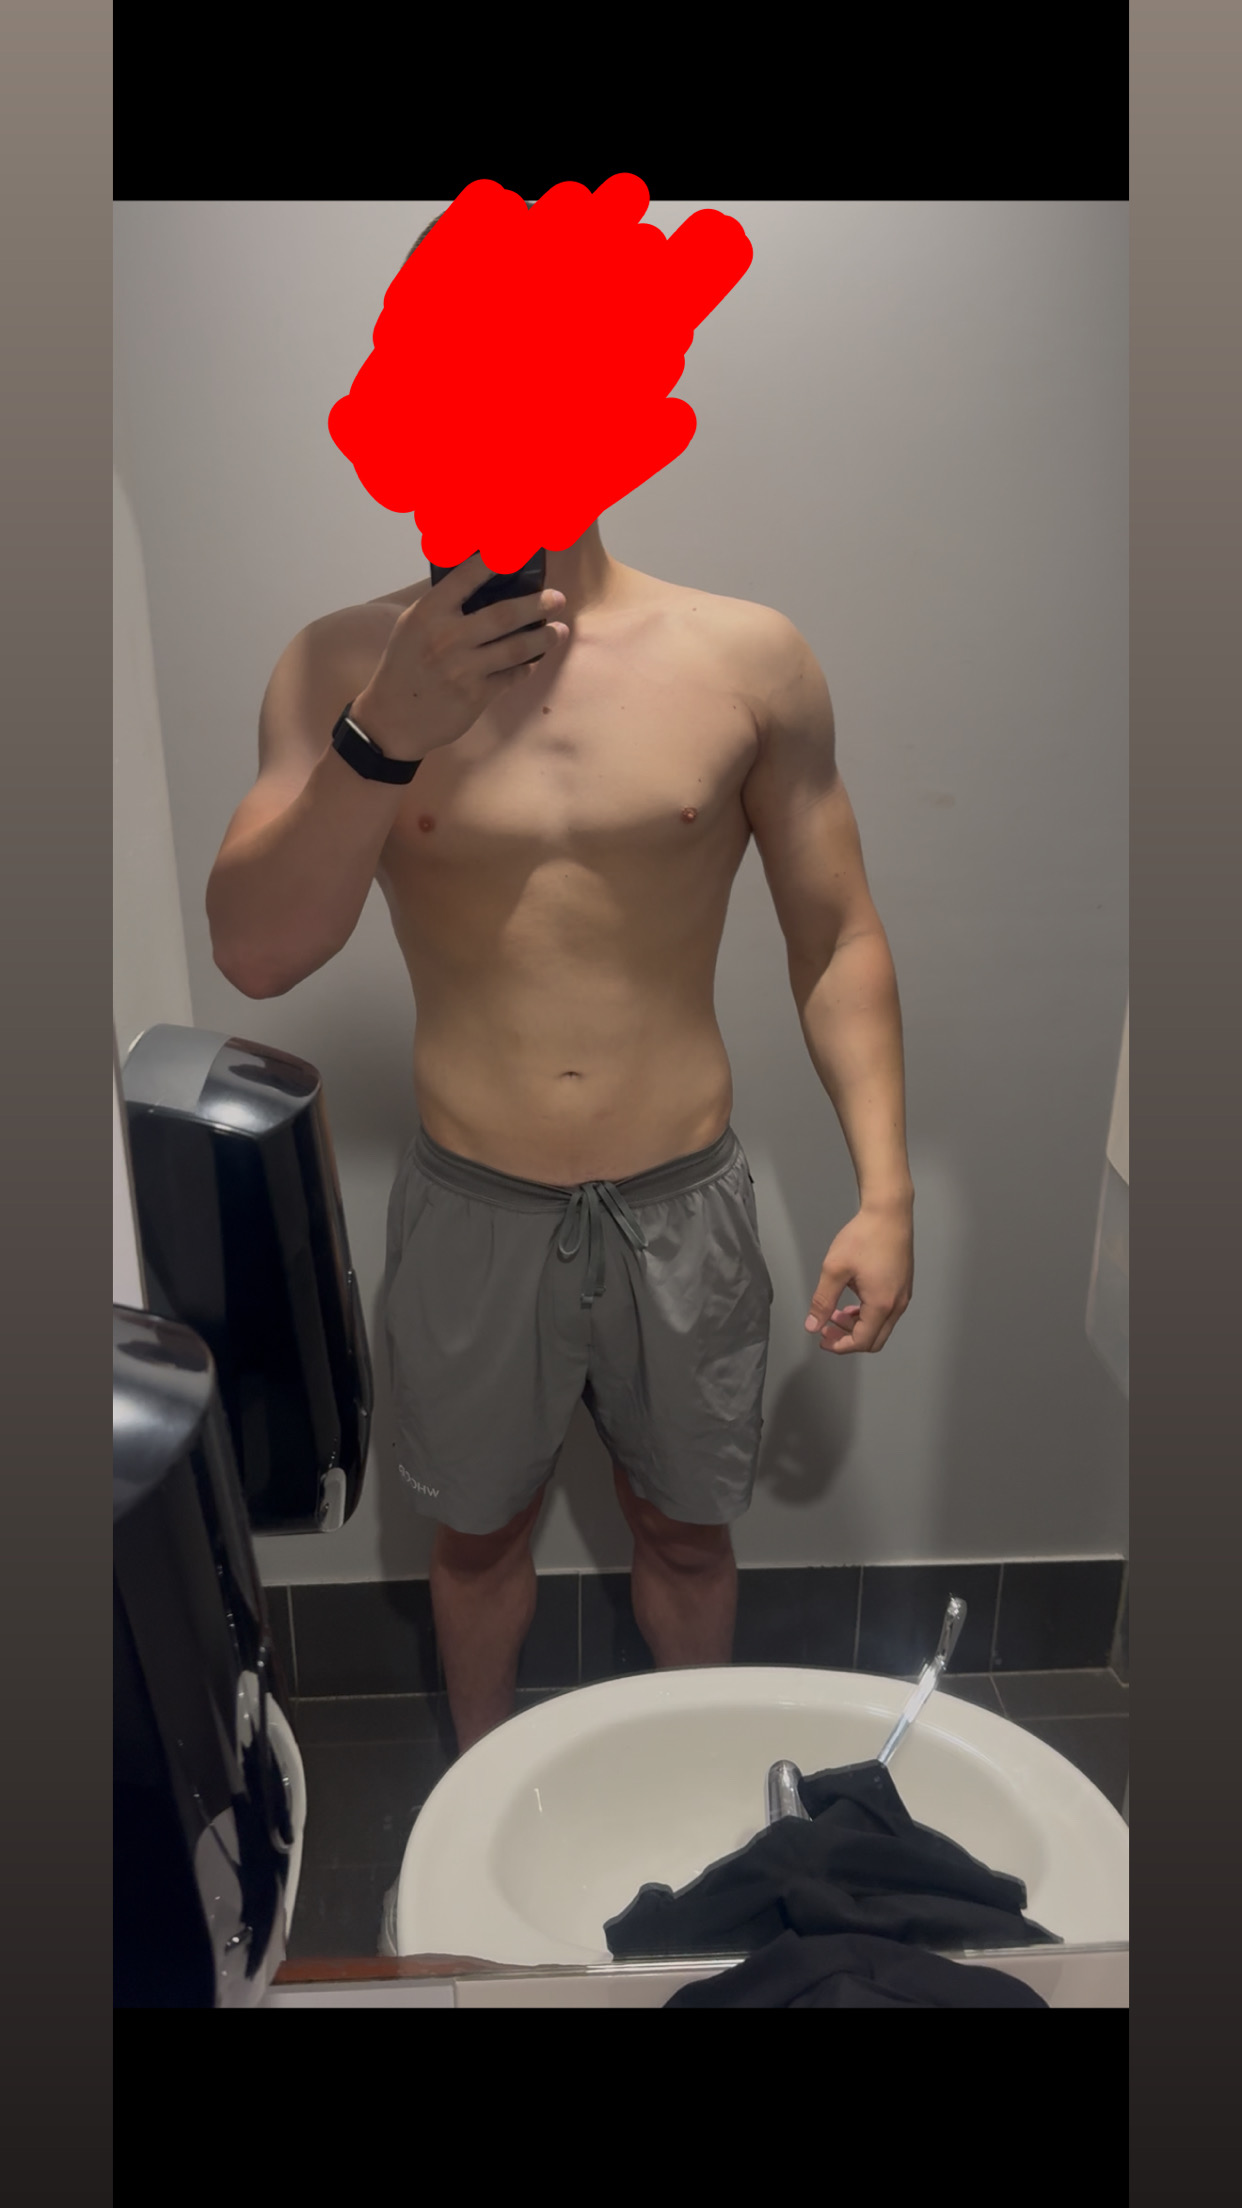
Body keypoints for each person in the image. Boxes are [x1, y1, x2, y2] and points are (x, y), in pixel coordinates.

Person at [206, 270, 915, 1761]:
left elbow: (835, 932)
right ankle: (480, 1799)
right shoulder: (339, 666)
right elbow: (258, 956)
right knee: (473, 1547)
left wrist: (885, 1192)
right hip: (475, 1203)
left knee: (687, 1538)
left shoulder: (744, 658)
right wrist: (382, 740)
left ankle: (690, 1787)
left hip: (682, 1199)